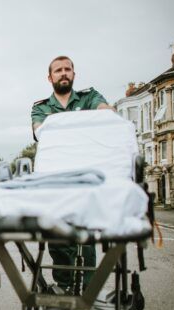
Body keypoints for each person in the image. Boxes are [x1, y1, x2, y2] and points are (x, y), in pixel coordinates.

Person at [30, 55, 114, 291]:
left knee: (84, 237)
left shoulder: (90, 96)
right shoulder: (41, 107)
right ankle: (64, 285)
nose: (63, 73)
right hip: (54, 181)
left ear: (73, 74)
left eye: (68, 69)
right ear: (50, 77)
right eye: (58, 70)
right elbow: (41, 132)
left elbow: (107, 114)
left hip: (86, 178)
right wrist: (85, 124)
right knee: (56, 237)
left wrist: (63, 127)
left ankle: (87, 289)